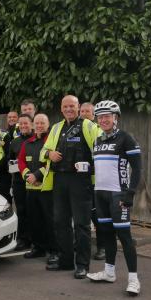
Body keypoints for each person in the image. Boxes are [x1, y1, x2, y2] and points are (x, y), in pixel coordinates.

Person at [86, 100, 142, 296]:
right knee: (106, 235)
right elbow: (99, 167)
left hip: (118, 194)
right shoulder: (97, 141)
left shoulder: (126, 138)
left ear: (115, 118)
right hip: (99, 194)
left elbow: (137, 168)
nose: (103, 120)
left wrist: (130, 193)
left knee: (125, 237)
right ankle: (109, 272)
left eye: (107, 116)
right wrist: (86, 168)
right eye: (100, 117)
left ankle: (134, 279)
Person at [41, 95, 99, 278]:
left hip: (80, 181)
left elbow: (101, 149)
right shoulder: (56, 127)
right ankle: (66, 261)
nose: (68, 109)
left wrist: (90, 167)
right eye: (65, 106)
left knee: (81, 224)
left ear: (78, 107)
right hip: (59, 180)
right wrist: (49, 154)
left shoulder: (89, 126)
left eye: (72, 106)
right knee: (60, 222)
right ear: (61, 108)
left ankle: (82, 265)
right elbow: (44, 151)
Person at [18, 114, 58, 262]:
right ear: (33, 125)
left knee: (50, 221)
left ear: (48, 125)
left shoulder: (52, 141)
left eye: (42, 123)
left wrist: (37, 175)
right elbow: (21, 161)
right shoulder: (27, 143)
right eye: (37, 123)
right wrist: (28, 175)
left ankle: (54, 250)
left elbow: (51, 162)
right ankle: (38, 248)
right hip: (31, 188)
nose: (39, 125)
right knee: (34, 221)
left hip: (47, 189)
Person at [80, 102, 106, 260]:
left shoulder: (97, 130)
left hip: (96, 182)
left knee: (98, 216)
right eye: (82, 111)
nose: (84, 113)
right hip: (79, 182)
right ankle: (82, 245)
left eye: (87, 111)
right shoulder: (75, 129)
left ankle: (102, 247)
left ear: (93, 114)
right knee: (82, 216)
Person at [9, 114, 34, 250]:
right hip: (19, 181)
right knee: (21, 210)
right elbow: (10, 160)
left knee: (35, 211)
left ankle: (35, 238)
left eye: (26, 123)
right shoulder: (15, 142)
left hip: (35, 181)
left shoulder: (37, 139)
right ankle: (23, 239)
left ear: (32, 124)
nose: (24, 126)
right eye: (21, 124)